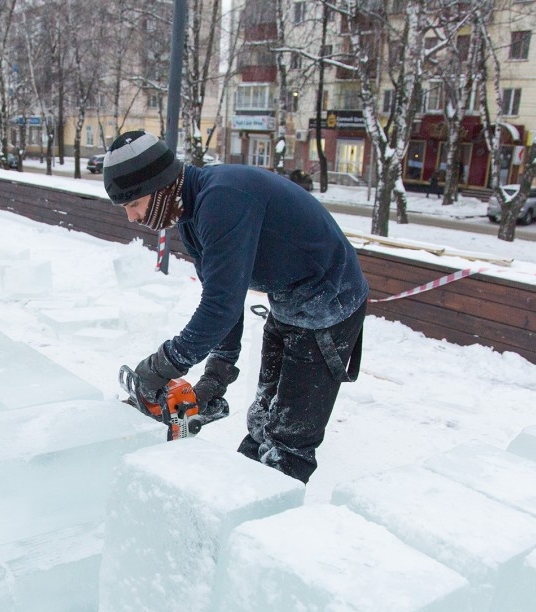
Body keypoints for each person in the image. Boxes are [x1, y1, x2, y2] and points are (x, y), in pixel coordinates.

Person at [103, 131, 369, 483]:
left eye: (133, 204)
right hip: (290, 299)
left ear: (159, 184)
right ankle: (233, 502)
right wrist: (219, 373)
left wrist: (165, 363)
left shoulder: (222, 200)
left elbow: (220, 307)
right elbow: (223, 295)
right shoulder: (192, 216)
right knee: (262, 420)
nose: (132, 217)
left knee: (288, 442)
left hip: (329, 303)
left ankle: (262, 518)